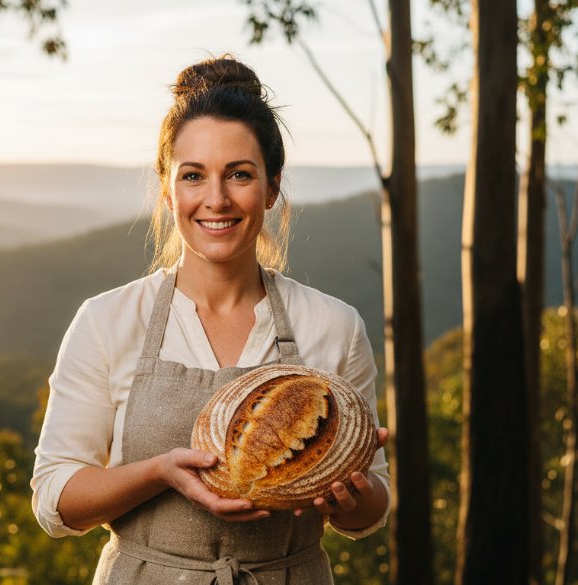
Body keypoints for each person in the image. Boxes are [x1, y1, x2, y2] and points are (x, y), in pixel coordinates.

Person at [31, 55, 390, 584]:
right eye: (193, 175)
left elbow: (371, 511)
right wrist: (159, 472)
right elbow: (55, 501)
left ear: (271, 188)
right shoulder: (107, 321)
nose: (216, 199)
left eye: (239, 175)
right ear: (168, 188)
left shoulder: (332, 325)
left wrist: (349, 498)